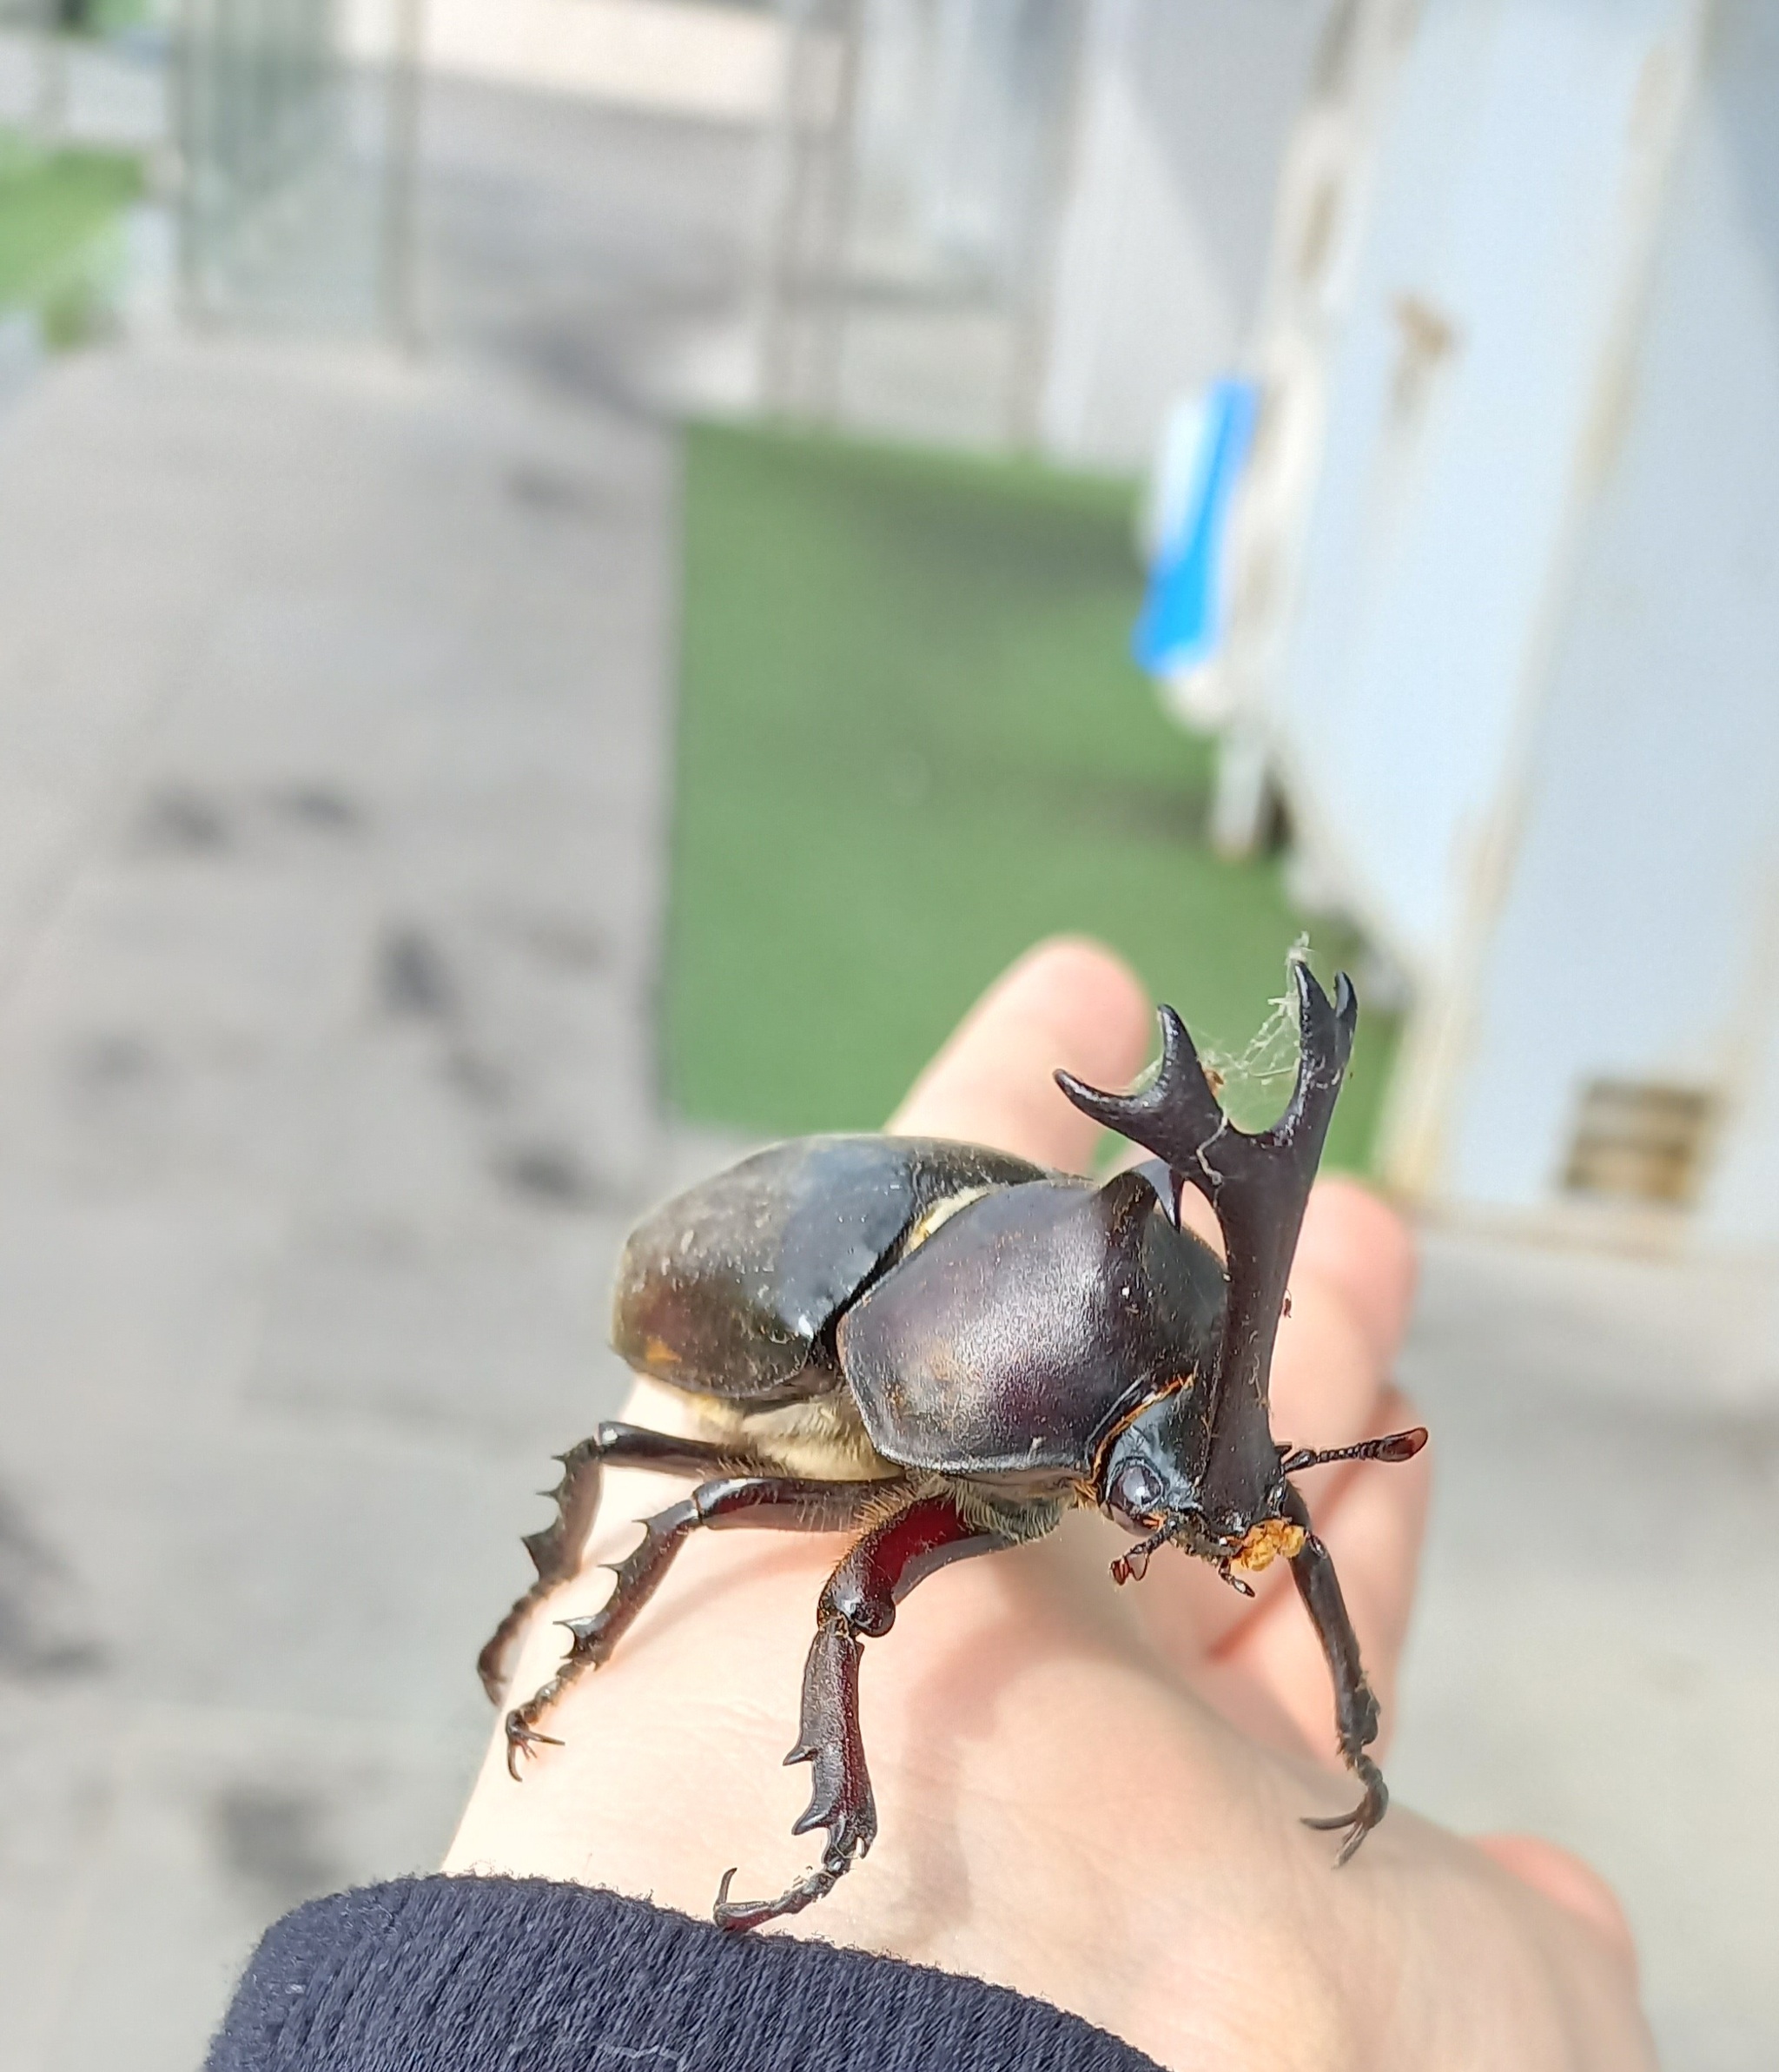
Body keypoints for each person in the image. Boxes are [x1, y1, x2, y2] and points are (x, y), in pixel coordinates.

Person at [209, 940, 1655, 2071]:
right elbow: (850, 1598)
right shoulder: (926, 1389)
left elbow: (1263, 1507)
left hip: (965, 1300)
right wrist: (571, 1622)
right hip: (778, 1310)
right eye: (1154, 1464)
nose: (1202, 1490)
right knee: (691, 1494)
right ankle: (792, 1790)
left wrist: (1348, 1715)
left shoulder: (1108, 1296)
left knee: (1279, 1515)